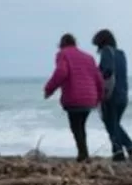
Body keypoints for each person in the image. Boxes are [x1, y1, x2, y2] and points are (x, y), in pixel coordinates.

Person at [44, 33, 104, 162]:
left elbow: (61, 72)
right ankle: (83, 154)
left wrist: (49, 89)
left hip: (74, 97)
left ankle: (83, 155)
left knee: (76, 127)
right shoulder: (89, 57)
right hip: (90, 98)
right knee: (80, 126)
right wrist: (98, 97)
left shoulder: (63, 54)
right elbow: (98, 79)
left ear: (62, 44)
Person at [92, 29, 132, 162]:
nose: (97, 48)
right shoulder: (121, 54)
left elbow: (107, 70)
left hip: (111, 94)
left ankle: (128, 147)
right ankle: (118, 152)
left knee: (111, 123)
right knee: (114, 123)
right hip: (123, 94)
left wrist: (97, 77)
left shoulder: (106, 51)